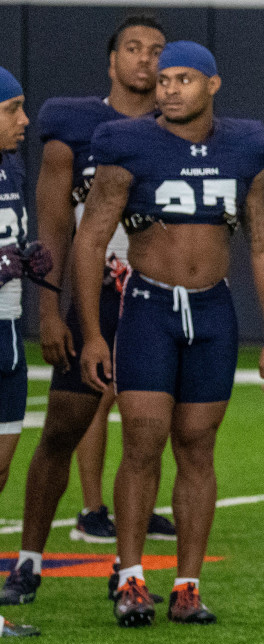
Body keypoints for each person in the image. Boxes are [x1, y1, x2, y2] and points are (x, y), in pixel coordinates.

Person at [74, 41, 264, 627]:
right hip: (148, 307)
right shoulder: (128, 143)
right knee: (142, 441)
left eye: (184, 78)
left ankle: (188, 584)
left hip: (213, 311)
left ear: (213, 85)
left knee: (198, 444)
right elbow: (91, 238)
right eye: (163, 78)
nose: (168, 88)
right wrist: (93, 332)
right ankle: (132, 576)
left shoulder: (245, 144)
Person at [0, 18, 178, 612]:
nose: (146, 61)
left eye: (157, 51)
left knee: (150, 436)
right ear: (110, 60)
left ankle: (127, 570)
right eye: (134, 48)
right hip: (92, 295)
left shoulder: (180, 131)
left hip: (154, 301)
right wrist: (51, 311)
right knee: (61, 429)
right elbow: (51, 226)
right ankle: (28, 559)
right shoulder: (73, 126)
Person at [0, 67, 48, 620]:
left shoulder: (10, 167)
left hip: (9, 331)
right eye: (12, 108)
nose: (24, 120)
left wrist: (27, 255)